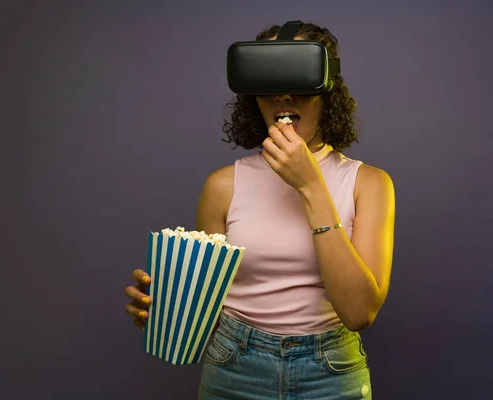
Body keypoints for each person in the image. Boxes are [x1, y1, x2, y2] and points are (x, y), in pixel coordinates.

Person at [124, 21, 395, 400]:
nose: (283, 93)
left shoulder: (369, 184)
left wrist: (311, 186)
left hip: (330, 372)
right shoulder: (223, 185)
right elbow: (205, 311)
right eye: (268, 76)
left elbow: (359, 313)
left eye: (298, 75)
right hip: (234, 365)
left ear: (327, 89)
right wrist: (165, 312)